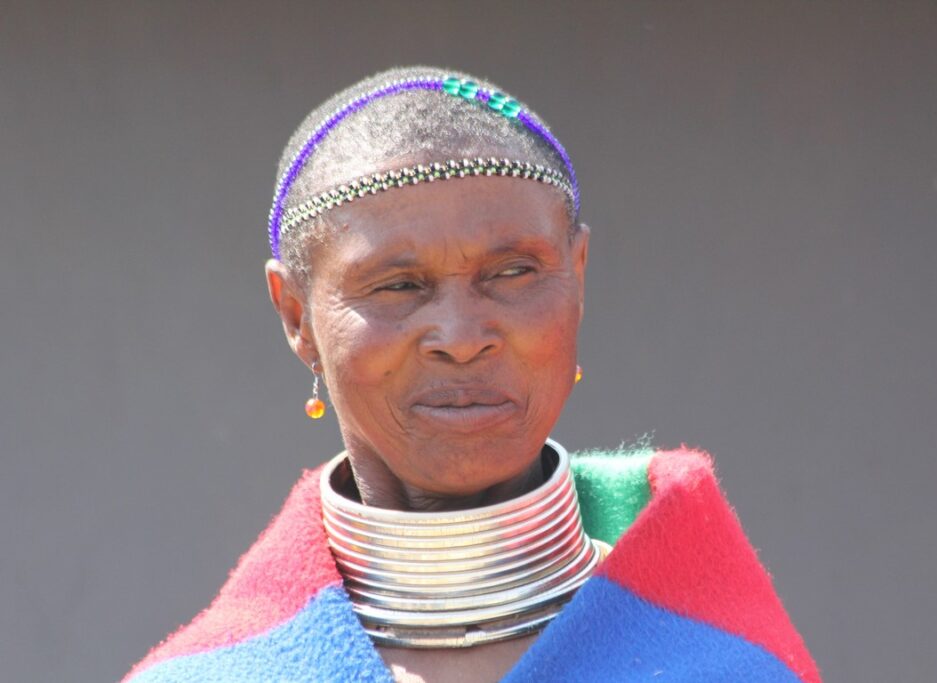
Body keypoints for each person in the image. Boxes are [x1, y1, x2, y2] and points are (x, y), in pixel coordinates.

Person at [123, 66, 820, 683]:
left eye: (513, 273)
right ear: (296, 315)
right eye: (397, 286)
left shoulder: (729, 665)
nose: (460, 338)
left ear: (577, 277)